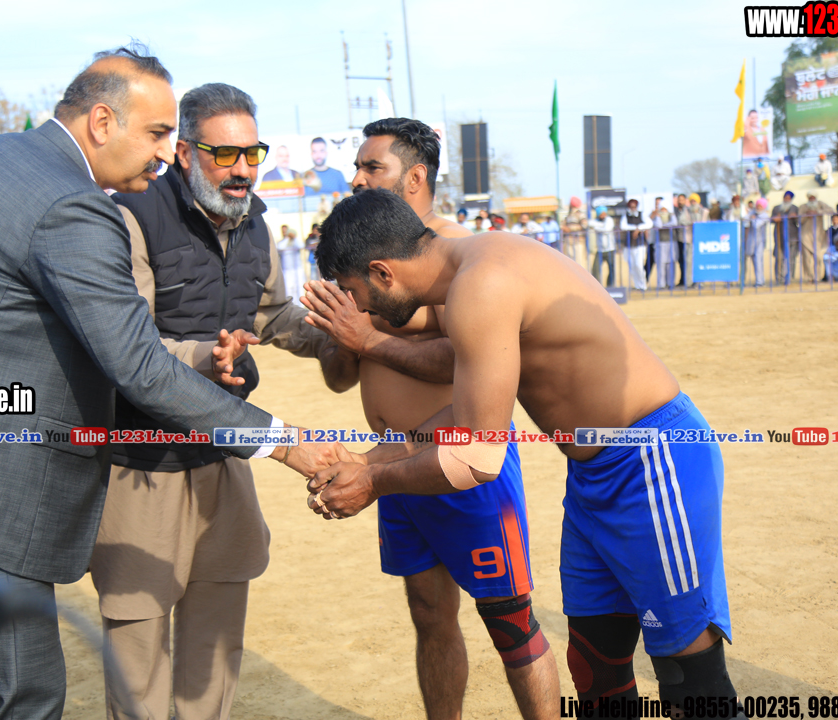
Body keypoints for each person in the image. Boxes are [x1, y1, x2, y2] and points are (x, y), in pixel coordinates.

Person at [0, 46, 350, 720]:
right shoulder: (76, 207)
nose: (164, 153)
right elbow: (138, 363)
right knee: (23, 698)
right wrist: (285, 442)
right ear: (102, 121)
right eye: (157, 133)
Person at [307, 188, 744, 718]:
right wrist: (368, 461)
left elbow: (477, 458)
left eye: (354, 292)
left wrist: (374, 482)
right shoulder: (475, 272)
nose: (360, 309)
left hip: (650, 463)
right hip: (592, 477)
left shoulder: (482, 283)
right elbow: (469, 414)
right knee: (596, 663)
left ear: (382, 272)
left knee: (687, 674)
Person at [94, 83, 350, 720]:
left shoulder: (254, 221)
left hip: (224, 454)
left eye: (252, 154)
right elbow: (126, 347)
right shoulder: (129, 216)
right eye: (224, 154)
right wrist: (206, 357)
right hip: (139, 463)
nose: (242, 170)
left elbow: (271, 313)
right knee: (137, 653)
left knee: (215, 644)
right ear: (185, 153)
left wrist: (341, 334)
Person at [307, 116, 560, 720]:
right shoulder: (361, 255)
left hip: (461, 463)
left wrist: (370, 340)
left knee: (510, 624)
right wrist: (342, 337)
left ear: (415, 177)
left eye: (373, 167)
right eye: (357, 166)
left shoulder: (455, 257)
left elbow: (462, 357)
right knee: (428, 614)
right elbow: (339, 375)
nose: (357, 178)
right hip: (394, 470)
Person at [620, 198, 651, 291]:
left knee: (639, 265)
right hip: (629, 245)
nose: (633, 208)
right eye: (631, 207)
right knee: (632, 266)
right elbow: (623, 226)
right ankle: (637, 285)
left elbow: (649, 224)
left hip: (640, 244)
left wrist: (639, 228)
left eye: (634, 207)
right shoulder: (626, 216)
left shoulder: (642, 215)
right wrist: (635, 228)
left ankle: (643, 285)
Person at [800, 190, 830, 283]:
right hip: (805, 236)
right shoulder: (803, 207)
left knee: (818, 257)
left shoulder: (820, 204)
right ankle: (809, 277)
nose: (812, 199)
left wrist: (817, 212)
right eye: (810, 197)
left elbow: (831, 210)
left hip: (818, 236)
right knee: (806, 258)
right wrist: (806, 215)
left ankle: (817, 277)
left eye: (813, 197)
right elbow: (799, 221)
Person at [771, 190, 800, 284]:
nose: (786, 199)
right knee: (779, 258)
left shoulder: (795, 208)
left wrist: (795, 217)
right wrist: (776, 219)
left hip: (792, 236)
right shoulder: (776, 208)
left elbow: (799, 221)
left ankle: (789, 278)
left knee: (791, 258)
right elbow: (772, 220)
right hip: (779, 236)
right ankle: (779, 278)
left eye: (788, 198)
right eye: (785, 197)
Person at [650, 198, 678, 289]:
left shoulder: (671, 216)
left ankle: (670, 283)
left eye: (665, 209)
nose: (663, 211)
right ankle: (661, 284)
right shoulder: (656, 216)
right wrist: (658, 217)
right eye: (662, 209)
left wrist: (664, 225)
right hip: (660, 243)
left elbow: (674, 223)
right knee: (661, 264)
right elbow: (658, 225)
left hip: (671, 242)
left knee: (671, 263)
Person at [744, 198, 770, 287]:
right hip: (751, 241)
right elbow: (745, 218)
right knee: (754, 261)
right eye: (757, 205)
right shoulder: (753, 212)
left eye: (760, 206)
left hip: (760, 241)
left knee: (758, 261)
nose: (758, 207)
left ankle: (760, 281)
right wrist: (751, 216)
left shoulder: (765, 215)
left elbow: (756, 225)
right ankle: (759, 279)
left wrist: (752, 219)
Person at [589, 205, 617, 287]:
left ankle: (610, 286)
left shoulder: (609, 220)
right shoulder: (595, 220)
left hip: (610, 249)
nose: (603, 215)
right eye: (601, 213)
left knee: (611, 269)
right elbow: (590, 223)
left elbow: (607, 229)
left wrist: (596, 228)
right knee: (595, 269)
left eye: (604, 213)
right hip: (600, 250)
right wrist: (600, 226)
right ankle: (596, 287)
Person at [562, 197, 587, 263]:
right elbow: (563, 225)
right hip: (569, 241)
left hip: (577, 242)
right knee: (570, 263)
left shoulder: (580, 214)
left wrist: (570, 229)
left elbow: (584, 225)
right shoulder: (568, 215)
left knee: (578, 262)